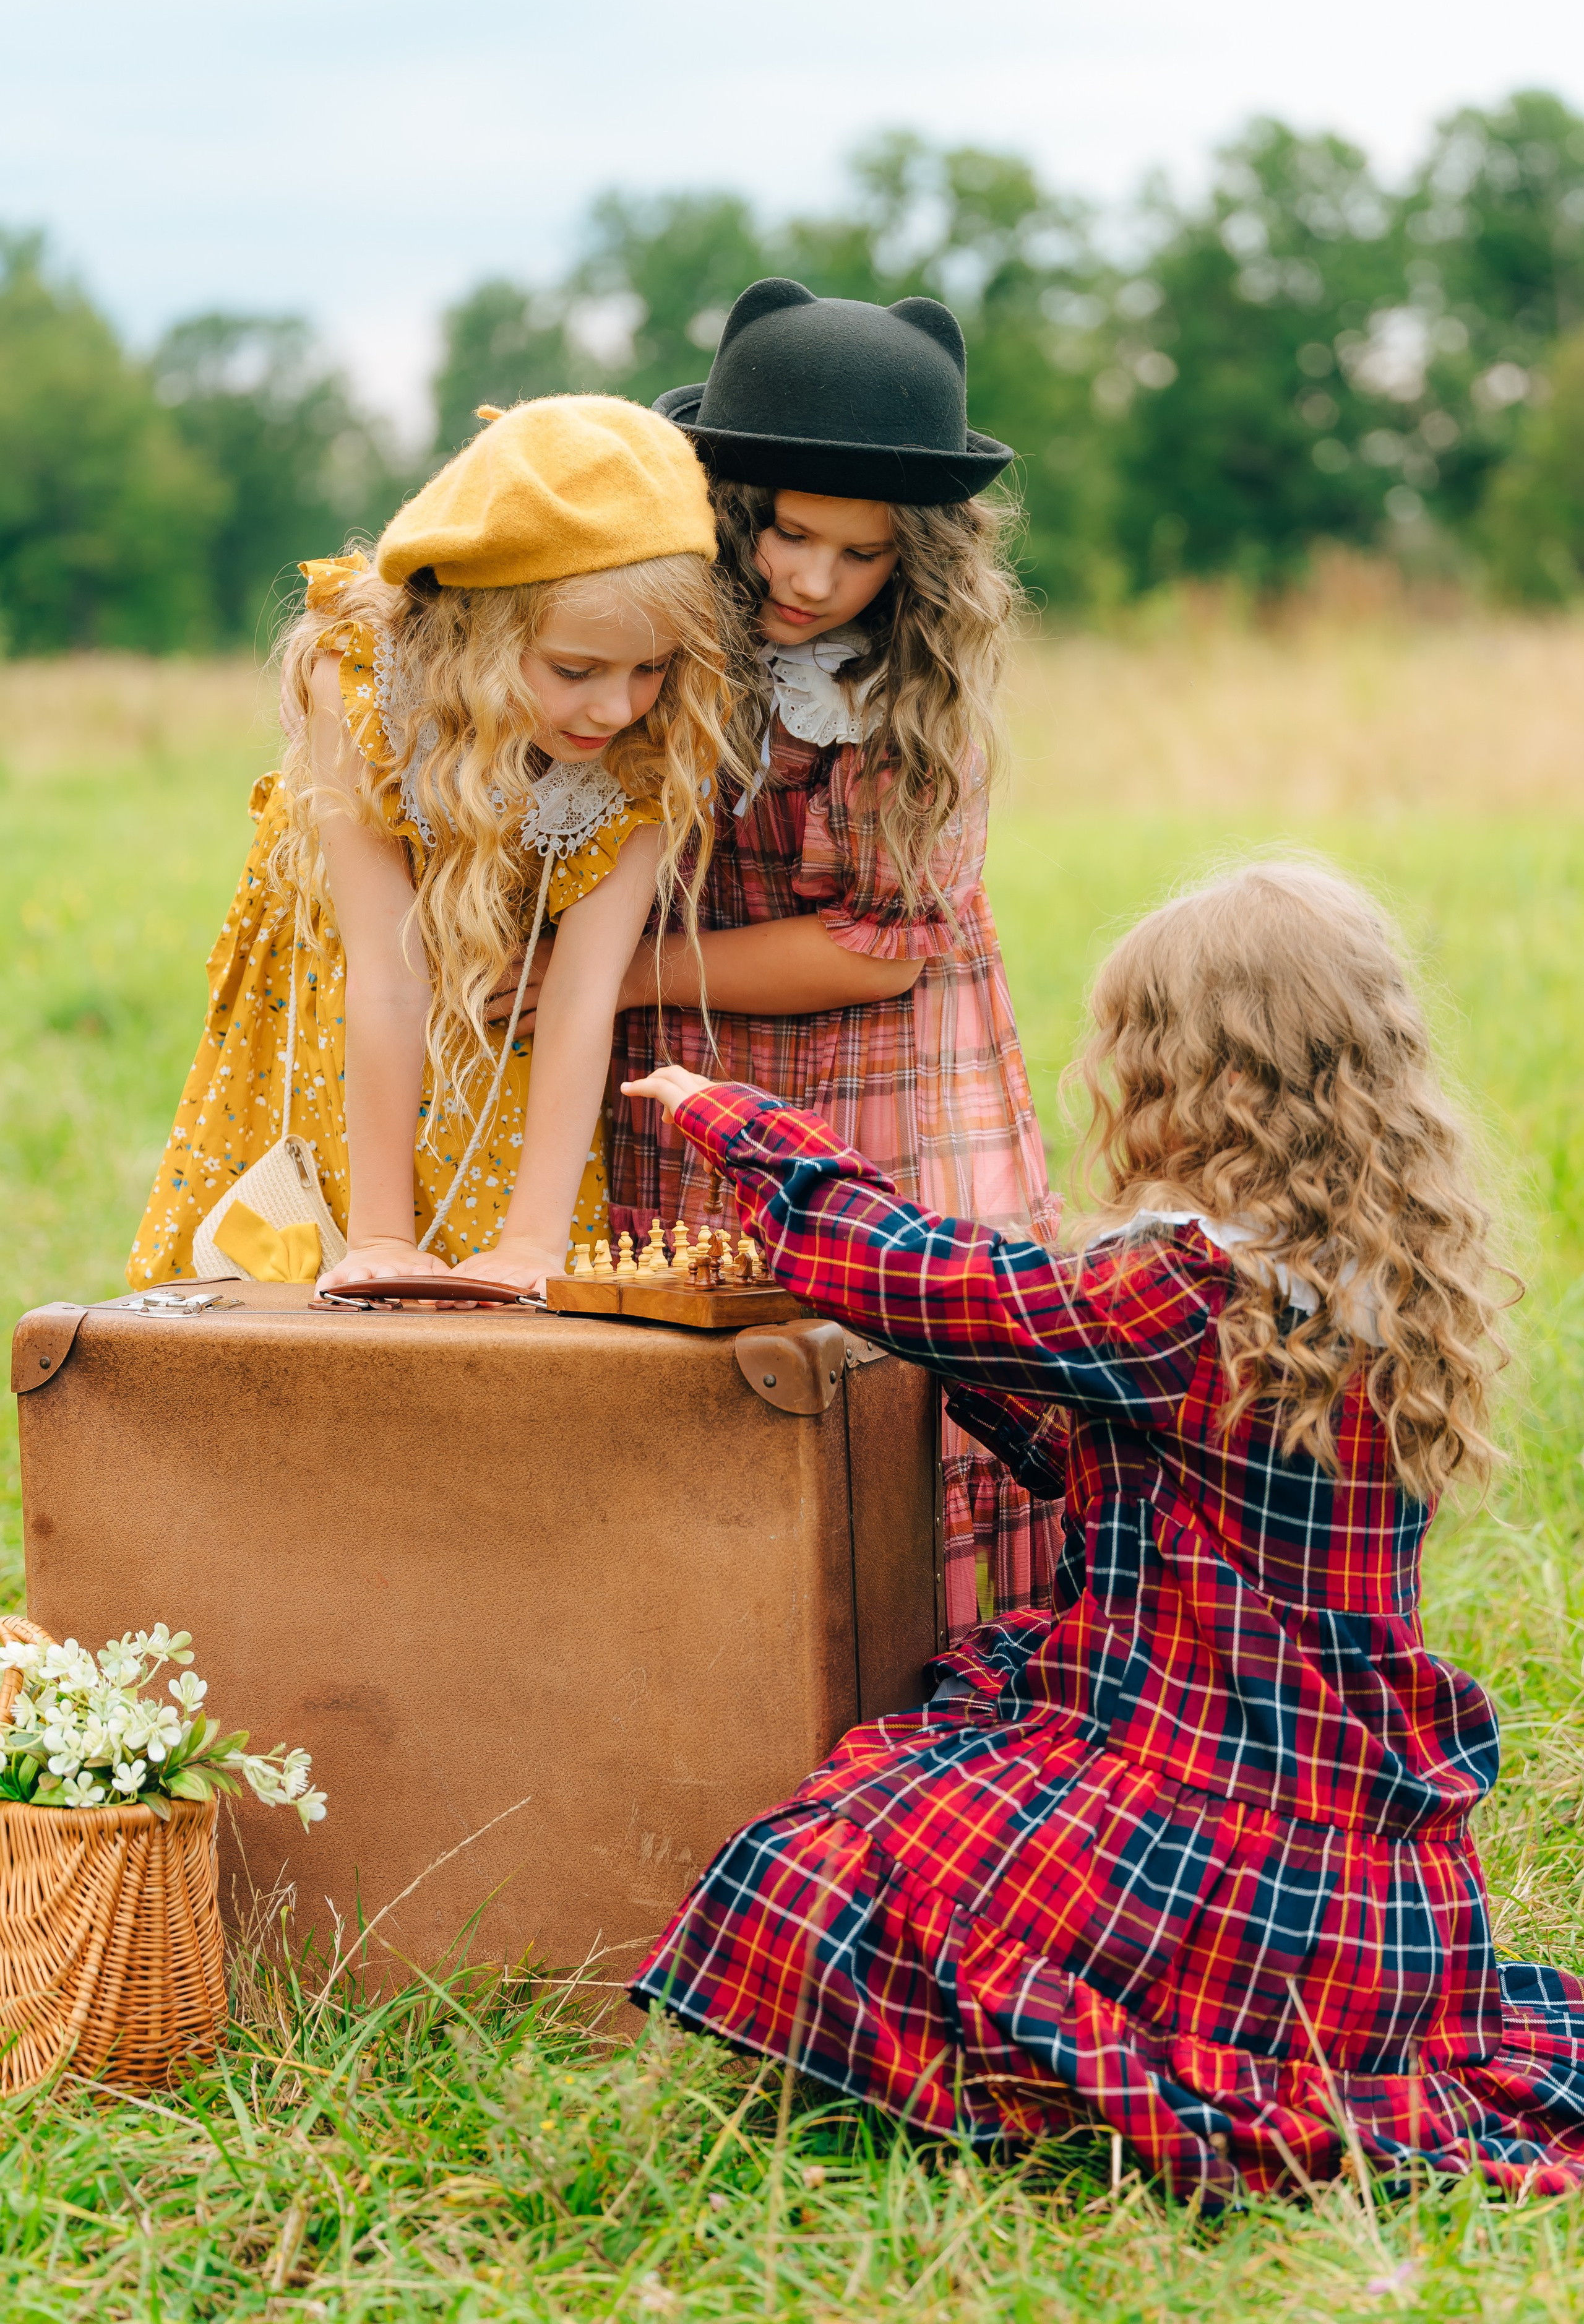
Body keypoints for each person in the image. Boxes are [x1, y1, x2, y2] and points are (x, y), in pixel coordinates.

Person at [621, 861, 1584, 2203]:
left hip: (1229, 1837)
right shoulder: (1365, 1271)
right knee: (911, 1825)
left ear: (1183, 1071)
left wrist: (738, 1125)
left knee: (830, 1861)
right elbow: (1137, 1461)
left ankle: (1068, 2076)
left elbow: (937, 1278)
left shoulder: (1186, 1287)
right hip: (1378, 1896)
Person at [600, 278, 1060, 1636]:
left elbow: (872, 952)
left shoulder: (911, 704)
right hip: (688, 1092)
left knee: (907, 1383)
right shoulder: (655, 651)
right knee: (704, 1383)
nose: (809, 580)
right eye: (789, 534)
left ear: (913, 561)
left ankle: (927, 1705)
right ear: (734, 512)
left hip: (885, 1084)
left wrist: (629, 980)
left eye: (856, 555)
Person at [129, 395, 728, 1296]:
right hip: (342, 1026)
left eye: (651, 667)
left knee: (491, 1322)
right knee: (302, 1290)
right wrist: (378, 1235)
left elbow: (580, 991)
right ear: (481, 635)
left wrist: (533, 1240)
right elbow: (389, 972)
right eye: (576, 671)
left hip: (502, 1054)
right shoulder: (367, 688)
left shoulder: (652, 733)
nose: (616, 707)